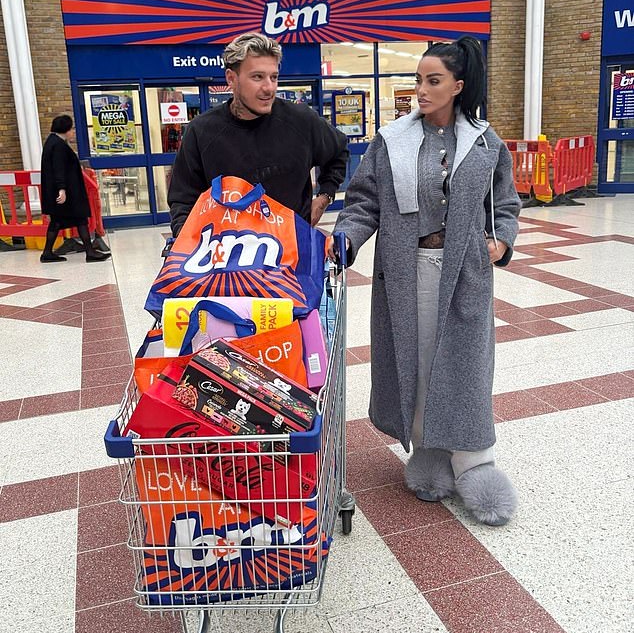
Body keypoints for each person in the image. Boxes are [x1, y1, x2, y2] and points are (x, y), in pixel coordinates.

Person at [329, 37, 521, 526]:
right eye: (418, 79)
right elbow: (363, 202)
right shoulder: (391, 140)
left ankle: (474, 462)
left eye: (433, 81)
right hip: (406, 274)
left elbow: (504, 205)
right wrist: (346, 239)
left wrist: (499, 242)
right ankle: (431, 454)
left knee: (465, 366)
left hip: (463, 276)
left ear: (458, 86)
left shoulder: (484, 143)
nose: (421, 89)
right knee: (416, 362)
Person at [168, 32, 349, 236]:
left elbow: (339, 151)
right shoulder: (202, 131)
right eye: (257, 77)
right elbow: (183, 199)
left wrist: (325, 196)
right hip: (228, 256)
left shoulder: (301, 120)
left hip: (294, 251)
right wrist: (188, 240)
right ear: (231, 78)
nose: (269, 88)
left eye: (274, 77)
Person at [40, 115, 111, 263]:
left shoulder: (52, 142)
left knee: (59, 221)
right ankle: (89, 252)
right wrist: (62, 189)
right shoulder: (58, 145)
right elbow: (58, 168)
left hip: (63, 191)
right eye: (71, 129)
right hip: (68, 193)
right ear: (65, 130)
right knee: (79, 219)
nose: (72, 132)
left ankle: (48, 252)